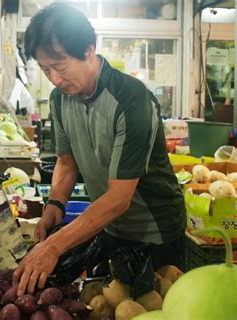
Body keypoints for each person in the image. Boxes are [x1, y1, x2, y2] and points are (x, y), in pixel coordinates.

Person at [13, 3, 186, 295]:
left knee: (151, 308)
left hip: (155, 232)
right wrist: (55, 205)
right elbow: (66, 163)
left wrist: (55, 245)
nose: (54, 78)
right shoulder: (59, 99)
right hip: (106, 226)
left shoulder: (132, 99)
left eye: (61, 67)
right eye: (45, 69)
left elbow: (119, 198)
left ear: (89, 50)